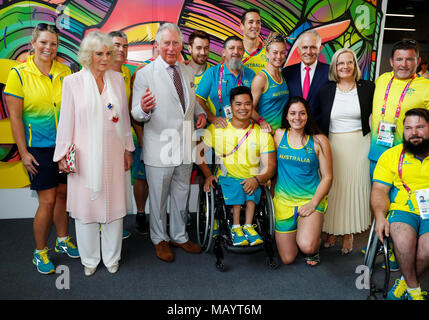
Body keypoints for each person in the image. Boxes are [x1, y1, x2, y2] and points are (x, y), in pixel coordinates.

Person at [53, 31, 135, 276]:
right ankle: (89, 259)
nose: (105, 58)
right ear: (88, 55)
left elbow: (124, 120)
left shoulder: (117, 79)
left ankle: (112, 257)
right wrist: (62, 155)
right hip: (83, 155)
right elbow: (66, 121)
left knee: (113, 206)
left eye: (108, 53)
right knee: (85, 209)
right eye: (99, 53)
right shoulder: (73, 82)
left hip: (113, 152)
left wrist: (128, 149)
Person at [4, 23, 79, 275]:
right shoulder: (19, 74)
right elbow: (15, 118)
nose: (49, 47)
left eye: (53, 43)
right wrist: (24, 153)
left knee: (62, 195)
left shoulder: (65, 71)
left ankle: (62, 239)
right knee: (46, 200)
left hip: (64, 147)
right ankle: (39, 252)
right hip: (38, 149)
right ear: (33, 44)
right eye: (44, 42)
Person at [131, 23, 207, 262]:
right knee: (158, 197)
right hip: (159, 147)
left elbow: (189, 102)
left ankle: (179, 235)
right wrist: (143, 110)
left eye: (176, 43)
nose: (171, 48)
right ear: (157, 45)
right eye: (166, 43)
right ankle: (159, 238)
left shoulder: (187, 71)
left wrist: (199, 114)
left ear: (181, 45)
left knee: (181, 194)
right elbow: (136, 112)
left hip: (184, 145)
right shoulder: (145, 74)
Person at [198, 86, 276, 246]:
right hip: (227, 179)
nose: (243, 108)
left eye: (247, 104)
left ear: (252, 106)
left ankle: (248, 227)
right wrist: (208, 175)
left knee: (251, 187)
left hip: (252, 179)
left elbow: (270, 165)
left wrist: (259, 178)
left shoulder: (261, 133)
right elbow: (197, 153)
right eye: (238, 104)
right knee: (236, 186)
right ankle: (235, 227)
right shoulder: (218, 128)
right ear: (231, 106)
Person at [317, 48, 375, 254]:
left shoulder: (368, 87)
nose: (345, 66)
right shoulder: (325, 90)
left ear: (355, 65)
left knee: (353, 189)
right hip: (333, 145)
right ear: (334, 66)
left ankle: (349, 233)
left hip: (359, 144)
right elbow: (316, 118)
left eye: (349, 62)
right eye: (340, 63)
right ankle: (332, 230)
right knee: (333, 190)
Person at [371, 108, 429, 300]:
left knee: (427, 248)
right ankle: (414, 290)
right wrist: (379, 216)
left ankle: (404, 282)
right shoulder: (391, 155)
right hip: (404, 208)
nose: (413, 133)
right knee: (403, 241)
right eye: (408, 128)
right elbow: (379, 190)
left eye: (420, 127)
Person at [273, 96, 332, 266]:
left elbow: (328, 177)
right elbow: (272, 166)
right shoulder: (278, 135)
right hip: (283, 201)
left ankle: (313, 244)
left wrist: (313, 204)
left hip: (310, 199)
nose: (297, 118)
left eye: (302, 113)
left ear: (308, 115)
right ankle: (301, 232)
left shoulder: (319, 140)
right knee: (287, 258)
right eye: (292, 113)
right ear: (286, 116)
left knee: (307, 246)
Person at [369, 39, 429, 178]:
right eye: (399, 59)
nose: (403, 64)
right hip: (377, 155)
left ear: (418, 61)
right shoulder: (381, 80)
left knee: (401, 198)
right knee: (376, 197)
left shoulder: (426, 86)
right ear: (391, 61)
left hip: (408, 157)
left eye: (409, 59)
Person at [109, 30, 149, 235]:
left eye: (124, 46)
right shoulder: (98, 72)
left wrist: (138, 135)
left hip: (123, 138)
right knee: (103, 183)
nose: (121, 50)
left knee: (117, 184)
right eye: (116, 45)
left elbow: (131, 109)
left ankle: (112, 226)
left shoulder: (127, 73)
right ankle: (101, 227)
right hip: (104, 139)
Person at [196, 35, 255, 129]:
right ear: (223, 52)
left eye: (240, 48)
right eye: (232, 48)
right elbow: (199, 100)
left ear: (243, 52)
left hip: (242, 129)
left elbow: (254, 103)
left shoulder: (250, 74)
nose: (236, 52)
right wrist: (212, 118)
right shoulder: (212, 73)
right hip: (218, 129)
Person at [281, 30, 329, 125]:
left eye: (313, 47)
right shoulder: (287, 72)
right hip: (293, 132)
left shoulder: (330, 72)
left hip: (319, 132)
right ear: (298, 50)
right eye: (305, 47)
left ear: (319, 49)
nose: (308, 52)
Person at [251, 32, 290, 134]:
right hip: (267, 135)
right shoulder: (261, 78)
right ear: (267, 54)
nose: (279, 56)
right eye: (275, 52)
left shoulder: (282, 74)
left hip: (282, 134)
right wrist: (261, 121)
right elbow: (248, 108)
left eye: (282, 53)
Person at [240, 8, 267, 74]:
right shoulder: (233, 52)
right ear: (242, 26)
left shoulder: (269, 52)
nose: (255, 26)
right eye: (251, 22)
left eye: (258, 22)